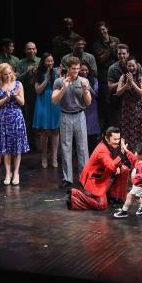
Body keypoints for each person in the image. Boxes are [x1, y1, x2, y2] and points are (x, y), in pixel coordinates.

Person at [67, 126, 133, 211]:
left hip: (103, 174)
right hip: (93, 180)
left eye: (118, 139)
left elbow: (113, 163)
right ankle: (75, 195)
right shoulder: (102, 150)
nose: (117, 142)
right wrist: (122, 154)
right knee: (102, 205)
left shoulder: (113, 146)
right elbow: (111, 167)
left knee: (124, 169)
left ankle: (115, 197)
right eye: (115, 139)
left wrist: (119, 164)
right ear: (107, 138)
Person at [52, 57, 92, 188]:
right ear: (68, 69)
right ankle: (67, 178)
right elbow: (54, 100)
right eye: (73, 69)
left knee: (82, 148)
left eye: (77, 68)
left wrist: (85, 90)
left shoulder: (84, 80)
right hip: (65, 115)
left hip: (80, 115)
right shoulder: (59, 81)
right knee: (66, 147)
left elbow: (88, 102)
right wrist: (64, 87)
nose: (76, 71)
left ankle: (83, 177)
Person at [0, 63, 30, 185]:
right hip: (3, 118)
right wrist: (6, 98)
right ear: (0, 75)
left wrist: (15, 95)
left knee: (17, 147)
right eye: (5, 74)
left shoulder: (18, 84)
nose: (8, 76)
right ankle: (8, 173)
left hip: (16, 118)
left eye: (9, 73)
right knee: (6, 147)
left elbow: (22, 103)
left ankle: (16, 172)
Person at [34, 53, 61, 168]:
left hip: (55, 102)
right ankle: (44, 157)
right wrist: (46, 80)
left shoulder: (57, 71)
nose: (50, 63)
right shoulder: (39, 73)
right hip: (43, 101)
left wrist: (58, 75)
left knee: (55, 131)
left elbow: (60, 87)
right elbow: (38, 91)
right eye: (47, 61)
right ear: (43, 62)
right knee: (44, 131)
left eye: (51, 61)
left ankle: (54, 157)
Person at [92, 21, 120, 129]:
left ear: (107, 29)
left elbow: (120, 55)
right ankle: (107, 127)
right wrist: (110, 49)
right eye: (100, 31)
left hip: (116, 72)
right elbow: (101, 60)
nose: (102, 32)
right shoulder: (96, 44)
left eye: (103, 29)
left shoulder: (116, 40)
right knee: (106, 100)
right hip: (104, 72)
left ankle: (118, 126)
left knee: (117, 98)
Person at [107, 44, 142, 126]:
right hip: (119, 100)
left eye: (124, 53)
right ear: (117, 55)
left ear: (128, 54)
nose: (121, 56)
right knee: (122, 125)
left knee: (136, 125)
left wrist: (132, 82)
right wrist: (123, 82)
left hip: (134, 99)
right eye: (119, 53)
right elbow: (110, 87)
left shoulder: (137, 65)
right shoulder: (112, 68)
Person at [113, 142, 142, 218]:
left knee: (129, 196)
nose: (135, 153)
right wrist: (126, 150)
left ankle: (124, 211)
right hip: (138, 184)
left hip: (140, 185)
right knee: (136, 196)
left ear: (141, 155)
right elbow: (133, 157)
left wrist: (136, 176)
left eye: (136, 153)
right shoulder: (139, 159)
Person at [116, 57, 142, 149]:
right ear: (126, 66)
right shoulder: (123, 77)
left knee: (137, 132)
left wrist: (132, 82)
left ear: (136, 66)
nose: (131, 68)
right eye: (129, 66)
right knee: (126, 132)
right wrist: (126, 85)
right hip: (126, 109)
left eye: (133, 65)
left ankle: (137, 155)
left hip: (137, 108)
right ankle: (127, 155)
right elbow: (118, 93)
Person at [16, 42, 41, 149]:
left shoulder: (40, 61)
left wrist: (37, 72)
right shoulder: (20, 63)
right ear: (25, 50)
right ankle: (28, 143)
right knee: (28, 119)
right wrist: (27, 72)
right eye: (29, 49)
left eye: (33, 49)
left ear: (36, 50)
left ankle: (39, 142)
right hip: (25, 94)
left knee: (39, 118)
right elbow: (16, 80)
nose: (31, 51)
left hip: (39, 94)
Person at [79, 61, 101, 153]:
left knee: (92, 131)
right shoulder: (76, 80)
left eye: (86, 70)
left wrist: (89, 87)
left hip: (92, 108)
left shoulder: (94, 80)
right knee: (82, 131)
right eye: (82, 70)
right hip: (81, 107)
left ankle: (93, 152)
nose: (84, 72)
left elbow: (96, 94)